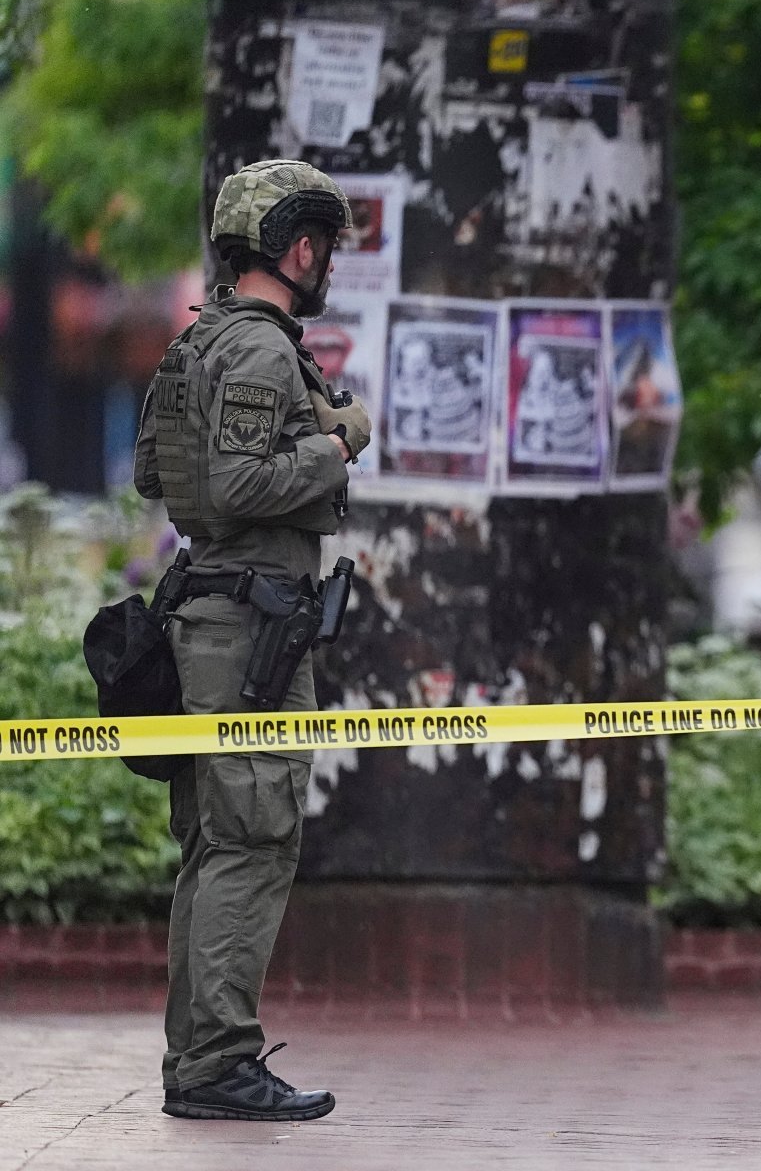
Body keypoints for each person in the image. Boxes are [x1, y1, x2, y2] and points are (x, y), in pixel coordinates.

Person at [132, 159, 372, 1122]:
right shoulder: (265, 353)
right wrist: (335, 444)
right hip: (249, 634)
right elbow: (238, 487)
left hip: (207, 617)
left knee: (216, 844)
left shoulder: (198, 343)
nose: (329, 266)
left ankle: (198, 1059)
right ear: (298, 248)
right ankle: (217, 1062)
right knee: (253, 840)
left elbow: (155, 474)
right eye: (326, 249)